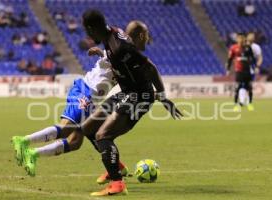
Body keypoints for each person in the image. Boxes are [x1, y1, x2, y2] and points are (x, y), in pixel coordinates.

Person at [11, 20, 154, 185]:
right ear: (140, 36)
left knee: (76, 141)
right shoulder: (123, 48)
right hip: (86, 91)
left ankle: (33, 154)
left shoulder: (126, 51)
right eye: (145, 35)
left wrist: (100, 53)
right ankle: (23, 141)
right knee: (67, 128)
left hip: (93, 97)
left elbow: (113, 59)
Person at [73, 10, 181, 196]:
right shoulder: (110, 38)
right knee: (87, 129)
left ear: (93, 29)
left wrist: (161, 96)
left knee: (103, 135)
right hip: (127, 93)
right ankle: (116, 166)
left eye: (87, 31)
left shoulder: (121, 47)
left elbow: (150, 67)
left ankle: (117, 183)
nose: (87, 36)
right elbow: (118, 63)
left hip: (139, 97)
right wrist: (101, 54)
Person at [226, 33, 256, 111]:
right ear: (237, 39)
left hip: (247, 70)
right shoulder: (233, 48)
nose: (241, 40)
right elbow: (230, 59)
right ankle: (236, 105)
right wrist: (228, 69)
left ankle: (249, 104)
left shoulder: (248, 48)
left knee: (249, 87)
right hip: (239, 71)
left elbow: (253, 58)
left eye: (242, 38)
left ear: (244, 39)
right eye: (239, 38)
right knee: (237, 87)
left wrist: (254, 66)